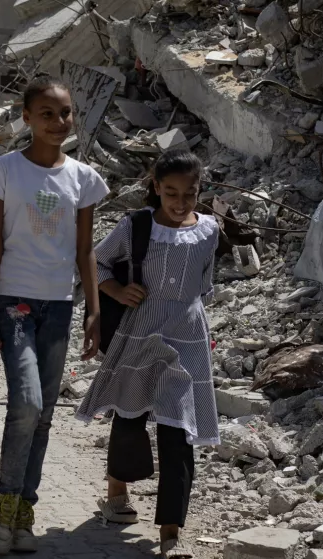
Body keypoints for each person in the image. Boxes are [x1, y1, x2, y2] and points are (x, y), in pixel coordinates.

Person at [0, 75, 110, 553]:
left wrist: (94, 311)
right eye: (47, 113)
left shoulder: (84, 179)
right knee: (27, 402)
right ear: (26, 117)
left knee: (46, 414)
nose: (58, 122)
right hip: (13, 304)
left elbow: (85, 250)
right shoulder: (3, 171)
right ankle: (3, 506)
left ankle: (23, 514)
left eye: (66, 112)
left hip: (58, 308)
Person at [76, 149, 219, 559]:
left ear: (199, 190)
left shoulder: (209, 230)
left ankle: (171, 533)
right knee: (129, 414)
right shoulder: (135, 226)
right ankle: (117, 493)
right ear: (155, 188)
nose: (179, 202)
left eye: (189, 193)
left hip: (186, 338)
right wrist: (117, 291)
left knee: (178, 429)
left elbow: (204, 285)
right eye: (170, 192)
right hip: (140, 332)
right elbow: (94, 262)